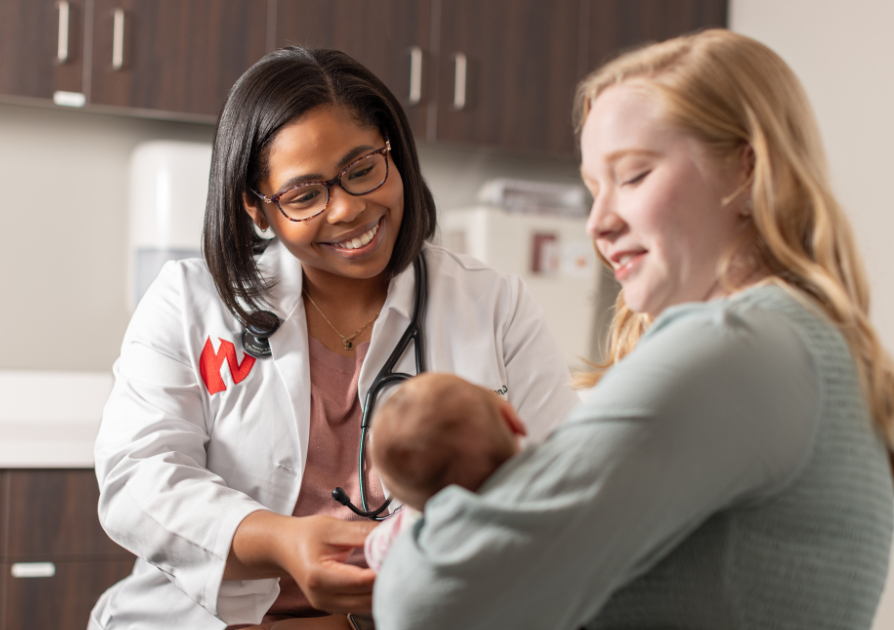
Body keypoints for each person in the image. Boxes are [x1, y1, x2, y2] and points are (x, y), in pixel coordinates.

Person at [374, 29, 894, 630]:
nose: (598, 223)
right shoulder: (798, 345)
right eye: (592, 189)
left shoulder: (733, 350)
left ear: (747, 170)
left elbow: (424, 604)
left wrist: (404, 535)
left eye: (633, 176)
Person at [88, 47, 578, 630]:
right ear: (258, 209)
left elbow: (560, 493)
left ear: (394, 151)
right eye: (304, 195)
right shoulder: (188, 302)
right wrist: (281, 541)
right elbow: (137, 479)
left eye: (362, 168)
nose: (348, 208)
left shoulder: (494, 305)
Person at [362, 372, 528, 571]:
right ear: (514, 421)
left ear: (393, 490)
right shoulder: (534, 500)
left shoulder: (401, 531)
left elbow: (373, 552)